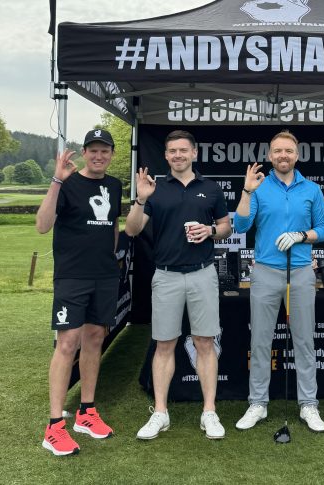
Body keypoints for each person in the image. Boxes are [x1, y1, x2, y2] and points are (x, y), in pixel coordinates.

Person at [125, 130, 232, 440]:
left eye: (183, 150)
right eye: (172, 151)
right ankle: (160, 412)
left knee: (205, 343)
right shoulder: (154, 190)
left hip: (202, 273)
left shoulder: (210, 188)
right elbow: (132, 229)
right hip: (166, 275)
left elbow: (225, 227)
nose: (177, 155)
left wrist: (210, 230)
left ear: (194, 153)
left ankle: (208, 412)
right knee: (164, 344)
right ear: (166, 155)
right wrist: (140, 199)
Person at [233, 130, 324, 432]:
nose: (283, 156)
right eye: (277, 151)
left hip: (301, 272)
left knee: (304, 340)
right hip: (264, 271)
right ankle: (258, 403)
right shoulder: (260, 189)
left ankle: (308, 404)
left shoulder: (311, 189)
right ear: (270, 155)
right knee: (260, 340)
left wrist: (302, 236)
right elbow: (240, 225)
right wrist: (247, 192)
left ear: (297, 155)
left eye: (288, 151)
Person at [36, 129, 123, 456]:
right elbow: (43, 225)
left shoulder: (114, 186)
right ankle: (54, 425)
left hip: (103, 276)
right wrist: (56, 182)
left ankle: (86, 412)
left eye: (105, 151)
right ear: (85, 153)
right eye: (93, 150)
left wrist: (108, 260)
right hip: (72, 277)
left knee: (95, 339)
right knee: (67, 343)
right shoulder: (68, 183)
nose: (99, 156)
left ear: (112, 154)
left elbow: (113, 226)